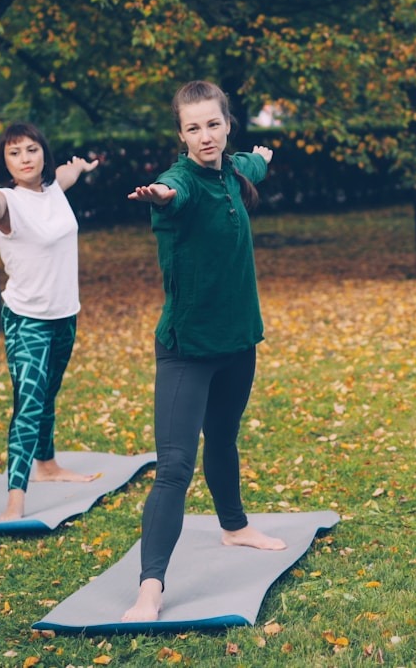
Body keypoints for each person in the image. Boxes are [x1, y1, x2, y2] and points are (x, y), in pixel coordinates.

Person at [122, 80, 284, 623]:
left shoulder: (235, 169)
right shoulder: (178, 183)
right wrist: (162, 197)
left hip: (240, 341)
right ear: (181, 133)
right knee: (173, 467)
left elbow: (250, 165)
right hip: (187, 349)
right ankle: (150, 589)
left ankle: (234, 527)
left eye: (212, 124)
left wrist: (261, 157)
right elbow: (175, 195)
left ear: (226, 124)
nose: (205, 135)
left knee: (225, 439)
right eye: (193, 128)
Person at [0, 122, 101, 521]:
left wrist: (80, 167)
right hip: (26, 318)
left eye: (32, 149)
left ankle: (47, 465)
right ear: (5, 162)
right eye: (15, 153)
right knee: (29, 403)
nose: (25, 158)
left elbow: (64, 175)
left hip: (65, 314)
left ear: (43, 153)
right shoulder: (7, 202)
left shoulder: (53, 192)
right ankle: (16, 498)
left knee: (48, 394)